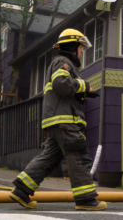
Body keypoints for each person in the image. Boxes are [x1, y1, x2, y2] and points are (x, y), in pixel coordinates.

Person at [9, 28, 106, 210]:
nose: (81, 52)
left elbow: (64, 89)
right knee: (78, 156)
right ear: (73, 46)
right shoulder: (63, 62)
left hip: (55, 121)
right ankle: (85, 199)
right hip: (65, 121)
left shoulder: (60, 63)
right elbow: (61, 84)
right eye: (80, 48)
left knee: (50, 157)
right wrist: (84, 85)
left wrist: (84, 92)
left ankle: (21, 190)